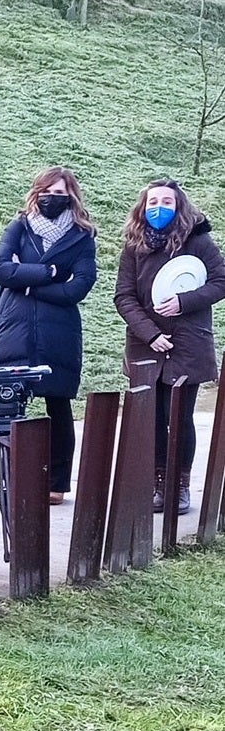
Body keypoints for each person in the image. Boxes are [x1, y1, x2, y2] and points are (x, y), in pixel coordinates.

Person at [112, 179, 225, 516]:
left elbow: (221, 281)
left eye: (166, 202)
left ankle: (180, 485)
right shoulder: (134, 244)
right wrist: (149, 334)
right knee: (152, 419)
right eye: (153, 202)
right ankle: (158, 483)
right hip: (146, 344)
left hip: (187, 343)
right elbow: (124, 296)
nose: (158, 208)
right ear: (143, 207)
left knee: (179, 417)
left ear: (178, 205)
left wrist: (184, 301)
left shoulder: (198, 240)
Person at [0, 168, 99, 504]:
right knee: (10, 405)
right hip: (14, 327)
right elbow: (0, 268)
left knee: (59, 406)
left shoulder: (82, 235)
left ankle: (57, 484)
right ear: (37, 193)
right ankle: (12, 480)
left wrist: (27, 284)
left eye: (60, 192)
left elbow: (79, 287)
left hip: (59, 331)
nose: (53, 197)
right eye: (47, 191)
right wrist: (50, 273)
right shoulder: (19, 225)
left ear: (71, 196)